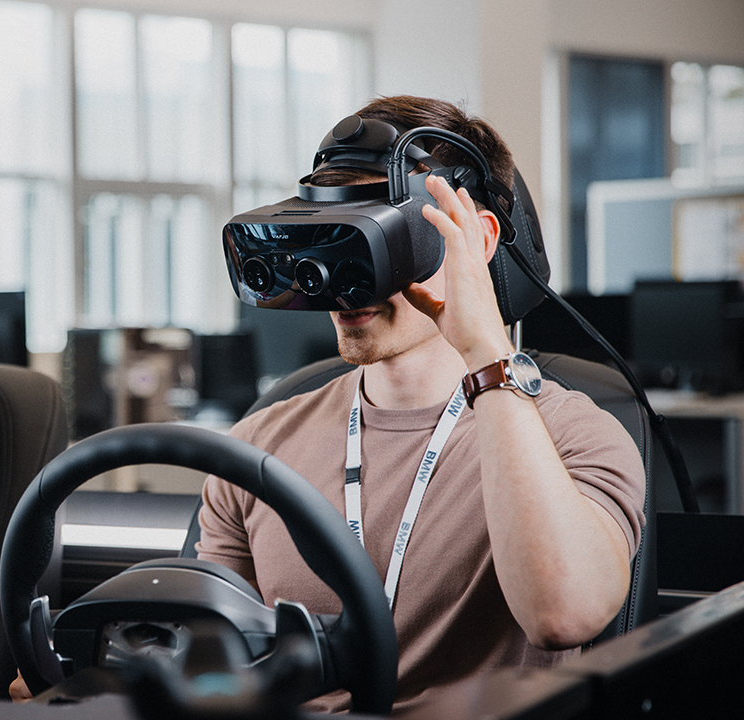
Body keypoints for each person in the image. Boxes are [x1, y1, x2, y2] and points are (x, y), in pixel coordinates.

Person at [197, 96, 646, 713]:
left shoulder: (576, 435)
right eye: (334, 239)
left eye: (379, 239)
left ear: (477, 239)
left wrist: (487, 352)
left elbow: (563, 615)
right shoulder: (256, 446)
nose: (344, 279)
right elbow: (217, 659)